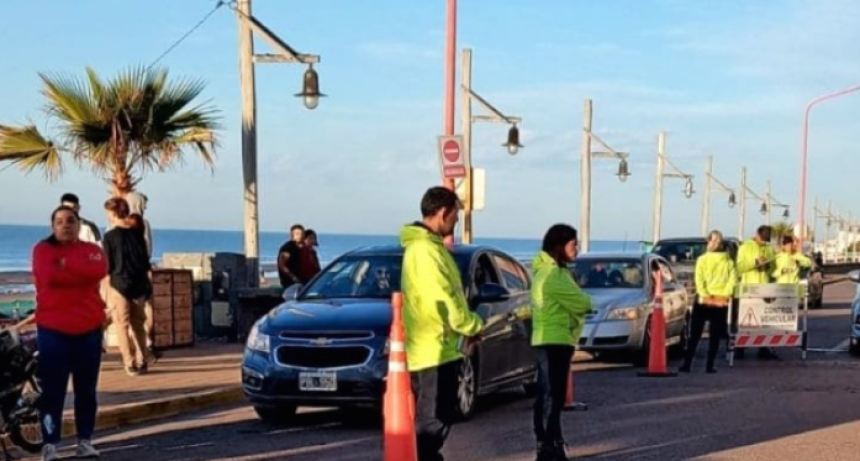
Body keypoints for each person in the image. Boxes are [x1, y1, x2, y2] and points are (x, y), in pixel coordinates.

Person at [400, 187, 484, 461]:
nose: (456, 222)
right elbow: (446, 296)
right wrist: (472, 325)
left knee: (439, 417)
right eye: (455, 216)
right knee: (432, 421)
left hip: (438, 346)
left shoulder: (429, 248)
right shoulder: (426, 250)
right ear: (443, 213)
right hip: (432, 349)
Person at [32, 206, 107, 460]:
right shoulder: (43, 250)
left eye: (71, 221)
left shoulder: (93, 251)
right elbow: (50, 277)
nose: (66, 225)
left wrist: (67, 268)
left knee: (86, 389)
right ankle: (50, 443)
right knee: (53, 389)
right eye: (60, 221)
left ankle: (84, 440)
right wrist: (76, 272)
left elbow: (97, 271)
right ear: (53, 226)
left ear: (78, 225)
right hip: (54, 330)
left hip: (89, 329)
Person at [530, 224, 592, 461]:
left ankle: (552, 442)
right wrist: (588, 303)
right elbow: (581, 302)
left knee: (552, 395)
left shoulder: (550, 271)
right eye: (573, 244)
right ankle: (547, 445)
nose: (577, 248)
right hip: (553, 339)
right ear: (559, 246)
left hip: (555, 338)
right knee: (549, 395)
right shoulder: (553, 275)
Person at [103, 197, 153, 376]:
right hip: (139, 284)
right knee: (138, 324)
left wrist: (108, 289)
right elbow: (145, 262)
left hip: (119, 284)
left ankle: (129, 362)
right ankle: (143, 360)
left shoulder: (109, 236)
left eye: (109, 213)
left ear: (114, 213)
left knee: (122, 325)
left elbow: (108, 266)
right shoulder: (138, 234)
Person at [680, 230, 737, 374]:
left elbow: (699, 280)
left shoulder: (702, 260)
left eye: (712, 241)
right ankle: (709, 366)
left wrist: (706, 295)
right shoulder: (729, 262)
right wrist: (724, 295)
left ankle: (687, 364)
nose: (712, 243)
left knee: (695, 334)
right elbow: (733, 281)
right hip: (720, 301)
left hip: (704, 301)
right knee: (715, 335)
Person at [123, 191, 160, 360]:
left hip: (123, 274)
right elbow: (148, 248)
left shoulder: (117, 223)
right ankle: (148, 342)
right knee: (146, 308)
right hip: (140, 272)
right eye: (143, 204)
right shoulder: (143, 223)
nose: (145, 207)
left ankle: (131, 345)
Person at [735, 225, 778, 359]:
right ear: (757, 235)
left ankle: (764, 348)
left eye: (766, 240)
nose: (764, 242)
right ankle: (740, 348)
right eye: (762, 240)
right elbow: (739, 267)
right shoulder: (745, 247)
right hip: (749, 289)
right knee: (746, 320)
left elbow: (774, 269)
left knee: (763, 320)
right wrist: (755, 263)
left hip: (764, 289)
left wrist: (768, 266)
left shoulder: (770, 249)